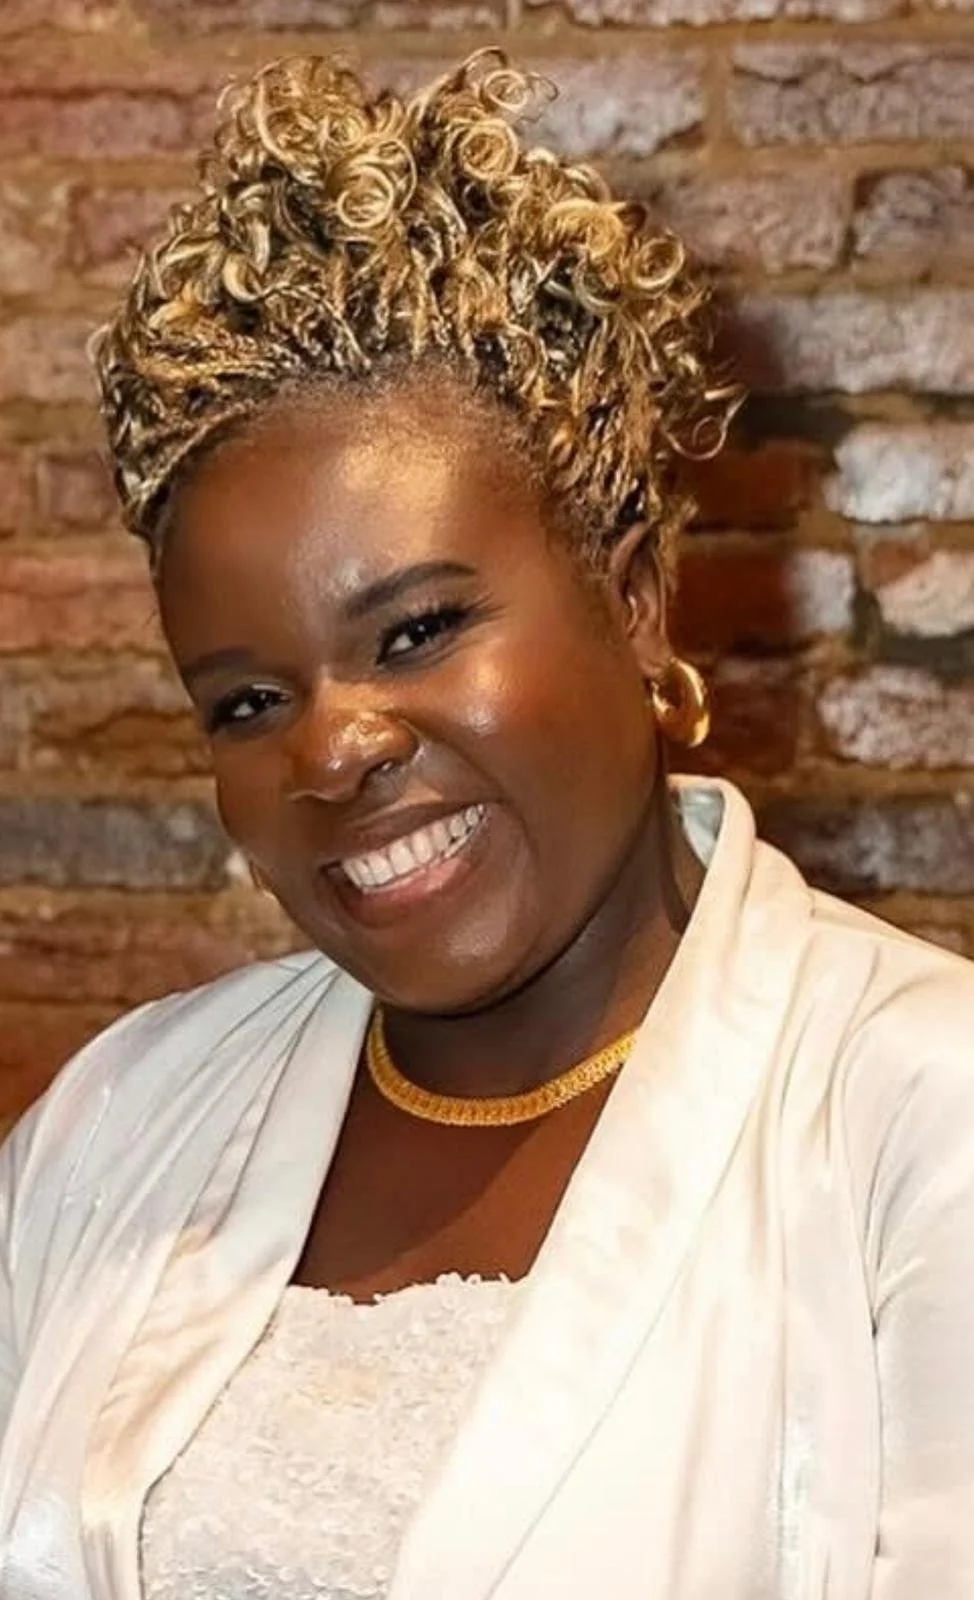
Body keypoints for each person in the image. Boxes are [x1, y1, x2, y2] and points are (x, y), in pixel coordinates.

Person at [1, 46, 973, 1600]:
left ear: (633, 600)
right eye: (247, 700)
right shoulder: (120, 1121)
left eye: (415, 631)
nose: (334, 750)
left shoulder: (919, 1117)